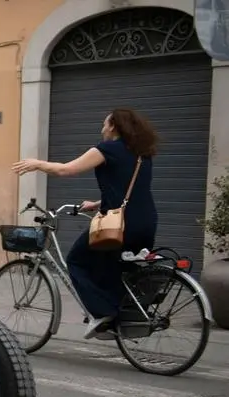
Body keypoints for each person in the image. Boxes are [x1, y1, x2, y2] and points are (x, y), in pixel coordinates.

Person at [12, 108, 159, 339]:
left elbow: (66, 169)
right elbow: (132, 192)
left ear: (113, 126)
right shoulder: (142, 154)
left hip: (118, 225)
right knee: (117, 268)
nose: (102, 129)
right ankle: (125, 317)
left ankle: (104, 314)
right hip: (146, 221)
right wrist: (98, 202)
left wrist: (37, 163)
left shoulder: (105, 149)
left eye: (104, 124)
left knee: (76, 261)